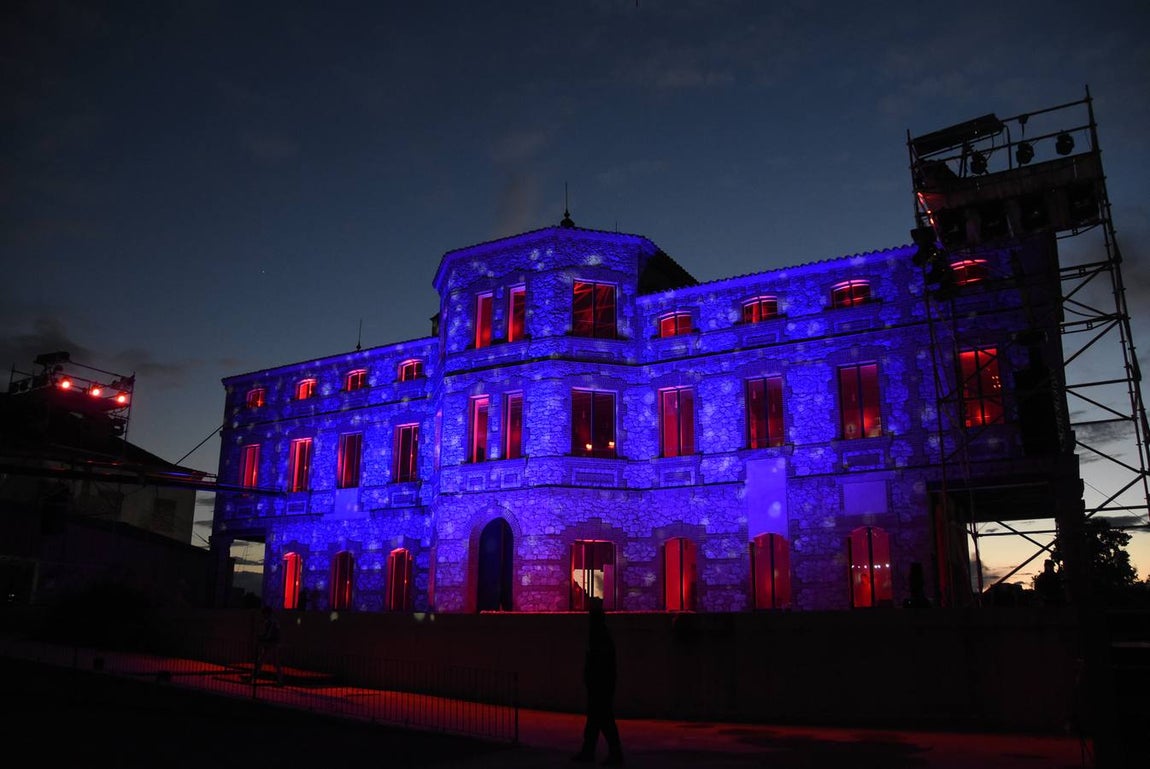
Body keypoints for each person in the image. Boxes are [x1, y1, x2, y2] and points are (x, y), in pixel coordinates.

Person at [572, 597, 624, 765]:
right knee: (598, 720)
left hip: (599, 685)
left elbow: (598, 663)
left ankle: (602, 752)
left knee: (600, 720)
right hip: (602, 684)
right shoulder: (601, 635)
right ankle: (594, 752)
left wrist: (591, 679)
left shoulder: (598, 637)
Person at [252, 606, 284, 685]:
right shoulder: (273, 621)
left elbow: (268, 634)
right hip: (273, 643)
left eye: (264, 614)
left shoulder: (270, 622)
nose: (263, 616)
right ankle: (280, 680)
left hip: (271, 643)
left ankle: (254, 676)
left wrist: (261, 637)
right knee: (272, 661)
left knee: (264, 660)